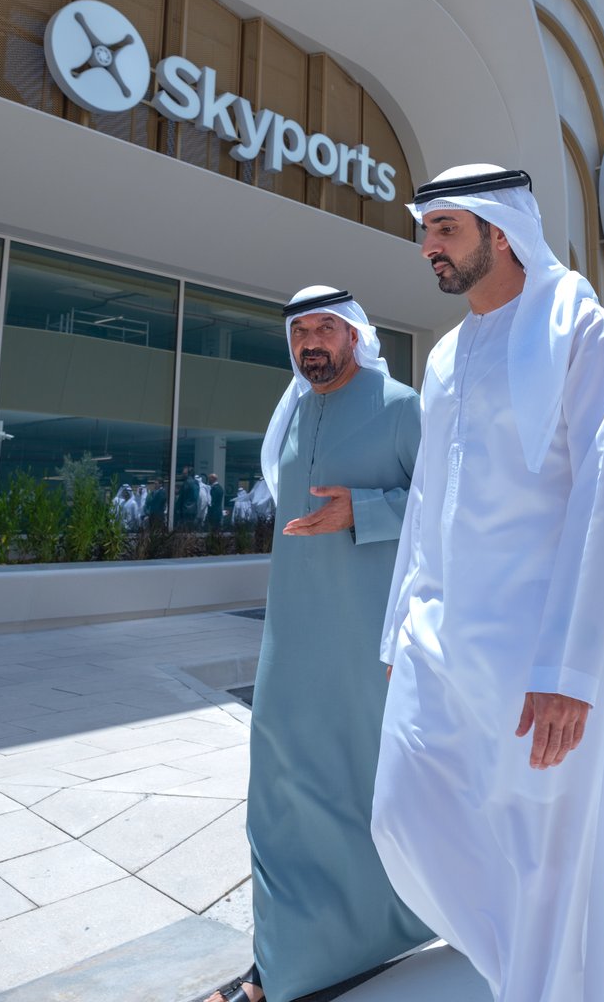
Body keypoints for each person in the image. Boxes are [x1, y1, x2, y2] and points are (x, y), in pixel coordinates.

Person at [371, 165, 604, 1002]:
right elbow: (426, 500)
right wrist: (398, 625)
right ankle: (514, 969)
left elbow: (601, 507)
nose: (430, 249)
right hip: (443, 631)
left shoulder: (587, 336)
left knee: (544, 863)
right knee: (400, 814)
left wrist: (569, 673)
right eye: (426, 232)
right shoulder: (447, 355)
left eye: (445, 229)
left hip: (538, 647)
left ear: (501, 231)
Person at [203, 286, 431, 1002]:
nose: (311, 342)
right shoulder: (295, 411)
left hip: (367, 647)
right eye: (300, 330)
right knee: (276, 796)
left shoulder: (401, 407)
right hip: (292, 640)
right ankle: (279, 960)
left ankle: (381, 929)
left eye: (325, 327)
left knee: (362, 793)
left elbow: (444, 506)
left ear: (356, 334)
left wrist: (362, 511)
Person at [174, 466, 200, 530]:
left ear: (189, 473)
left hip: (186, 510)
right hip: (194, 509)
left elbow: (182, 497)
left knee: (185, 530)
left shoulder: (187, 482)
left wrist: (176, 507)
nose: (183, 475)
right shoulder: (196, 483)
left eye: (184, 473)